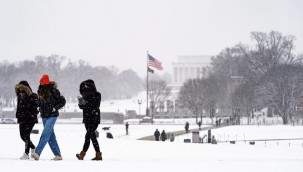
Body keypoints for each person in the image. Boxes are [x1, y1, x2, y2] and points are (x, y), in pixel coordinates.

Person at [32, 74, 66, 161]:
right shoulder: (40, 91)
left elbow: (63, 101)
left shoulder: (54, 91)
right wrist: (36, 103)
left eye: (43, 83)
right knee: (50, 136)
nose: (42, 84)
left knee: (45, 133)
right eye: (41, 83)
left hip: (52, 115)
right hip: (44, 116)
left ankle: (37, 152)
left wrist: (55, 108)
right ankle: (58, 155)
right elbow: (39, 103)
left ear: (46, 83)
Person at [76, 79, 102, 161]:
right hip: (87, 119)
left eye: (87, 86)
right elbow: (82, 107)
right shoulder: (85, 95)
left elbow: (95, 105)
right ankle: (98, 155)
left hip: (94, 118)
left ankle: (82, 154)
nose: (85, 87)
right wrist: (80, 103)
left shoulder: (97, 95)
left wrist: (85, 103)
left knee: (88, 135)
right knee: (92, 137)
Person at [15, 81, 39, 160]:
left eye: (22, 89)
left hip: (30, 118)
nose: (21, 91)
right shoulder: (19, 95)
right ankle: (32, 147)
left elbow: (36, 106)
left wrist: (28, 100)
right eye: (20, 89)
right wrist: (18, 116)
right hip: (22, 118)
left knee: (26, 135)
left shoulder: (32, 95)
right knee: (22, 136)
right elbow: (19, 107)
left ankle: (26, 153)